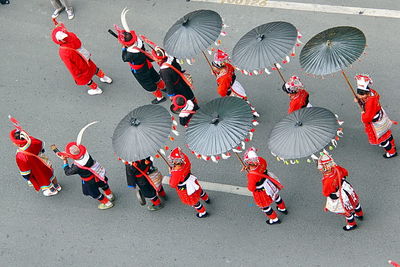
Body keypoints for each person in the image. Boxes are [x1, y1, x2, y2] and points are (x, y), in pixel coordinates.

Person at [56, 122, 115, 210]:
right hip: (97, 173)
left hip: (89, 181)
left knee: (94, 193)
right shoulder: (86, 155)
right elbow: (76, 155)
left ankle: (107, 203)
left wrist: (65, 161)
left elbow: (68, 172)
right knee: (104, 184)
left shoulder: (77, 167)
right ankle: (110, 195)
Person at [115, 9, 166, 104]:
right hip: (147, 64)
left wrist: (123, 48)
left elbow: (124, 58)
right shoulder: (139, 42)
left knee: (147, 83)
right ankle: (164, 87)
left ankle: (160, 97)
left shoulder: (130, 54)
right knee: (154, 76)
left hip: (139, 71)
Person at [51, 20, 112, 95]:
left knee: (86, 79)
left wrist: (76, 75)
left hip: (80, 67)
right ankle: (105, 78)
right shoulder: (72, 35)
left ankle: (96, 89)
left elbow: (70, 66)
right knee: (94, 69)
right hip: (86, 59)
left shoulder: (63, 52)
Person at [9, 116, 61, 196]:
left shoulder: (20, 155)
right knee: (51, 174)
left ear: (17, 143)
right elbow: (40, 145)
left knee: (44, 179)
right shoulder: (32, 140)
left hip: (36, 169)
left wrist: (27, 177)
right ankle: (57, 186)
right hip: (44, 161)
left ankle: (52, 190)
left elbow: (24, 170)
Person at [318, 151, 363, 231]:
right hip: (345, 187)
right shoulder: (336, 168)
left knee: (345, 209)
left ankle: (352, 224)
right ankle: (359, 214)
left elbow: (326, 191)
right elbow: (345, 172)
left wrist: (330, 195)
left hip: (339, 193)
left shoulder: (327, 179)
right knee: (354, 200)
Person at [354, 74, 397, 158]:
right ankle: (392, 145)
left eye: (361, 95)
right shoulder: (372, 93)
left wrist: (363, 113)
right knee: (386, 132)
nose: (359, 96)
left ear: (365, 94)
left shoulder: (370, 102)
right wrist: (359, 99)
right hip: (380, 115)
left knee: (382, 139)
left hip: (376, 121)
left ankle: (391, 152)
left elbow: (367, 118)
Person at [243, 147, 287, 225]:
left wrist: (249, 172)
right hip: (268, 182)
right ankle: (282, 208)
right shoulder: (261, 160)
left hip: (261, 191)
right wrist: (250, 169)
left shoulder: (251, 175)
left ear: (249, 162)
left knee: (265, 206)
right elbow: (261, 167)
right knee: (276, 195)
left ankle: (274, 219)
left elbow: (251, 188)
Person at [168, 147, 210, 218]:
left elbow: (172, 184)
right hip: (191, 179)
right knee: (199, 190)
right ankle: (206, 199)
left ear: (175, 161)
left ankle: (203, 212)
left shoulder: (176, 172)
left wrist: (171, 173)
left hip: (185, 187)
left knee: (194, 201)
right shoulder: (185, 160)